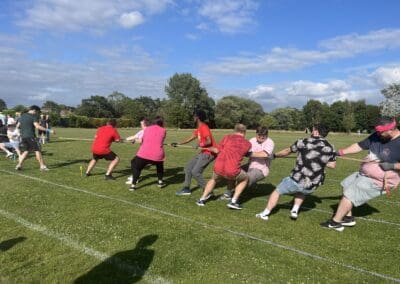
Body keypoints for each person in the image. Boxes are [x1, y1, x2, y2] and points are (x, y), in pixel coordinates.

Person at [321, 117, 400, 232]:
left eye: (381, 132)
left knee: (349, 195)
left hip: (381, 180)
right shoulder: (377, 136)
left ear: (391, 129)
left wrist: (391, 166)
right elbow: (360, 145)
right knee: (346, 185)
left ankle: (335, 222)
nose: (378, 134)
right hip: (365, 174)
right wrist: (339, 152)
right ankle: (348, 218)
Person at [256, 124, 336, 221]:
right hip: (313, 184)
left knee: (276, 192)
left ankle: (265, 214)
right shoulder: (331, 147)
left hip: (297, 179)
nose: (311, 131)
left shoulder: (303, 141)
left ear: (316, 132)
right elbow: (332, 165)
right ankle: (294, 210)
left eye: (313, 130)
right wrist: (320, 160)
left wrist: (274, 156)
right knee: (301, 190)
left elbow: (287, 151)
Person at [196, 123, 251, 210]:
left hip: (219, 166)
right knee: (245, 178)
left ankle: (201, 199)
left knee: (213, 179)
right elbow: (245, 153)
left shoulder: (227, 137)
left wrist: (208, 148)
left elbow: (217, 150)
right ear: (244, 132)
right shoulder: (248, 144)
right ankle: (233, 201)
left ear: (235, 131)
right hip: (232, 169)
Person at [222, 126, 275, 200]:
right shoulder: (252, 140)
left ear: (267, 135)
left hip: (261, 169)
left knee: (245, 179)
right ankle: (228, 193)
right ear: (256, 134)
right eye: (259, 135)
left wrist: (249, 154)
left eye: (264, 135)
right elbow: (244, 149)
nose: (261, 137)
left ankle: (234, 198)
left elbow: (264, 154)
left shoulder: (270, 142)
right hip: (250, 165)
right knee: (232, 172)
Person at [174, 110, 217, 196]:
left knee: (195, 172)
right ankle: (186, 189)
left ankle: (208, 191)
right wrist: (178, 143)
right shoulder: (199, 128)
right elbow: (190, 138)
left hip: (209, 153)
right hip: (203, 152)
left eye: (194, 116)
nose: (193, 117)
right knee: (188, 168)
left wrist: (199, 144)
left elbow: (209, 141)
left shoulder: (204, 127)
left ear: (197, 117)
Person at [129, 116, 166, 191]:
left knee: (136, 167)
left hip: (144, 153)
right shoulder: (164, 130)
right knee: (160, 165)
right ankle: (160, 182)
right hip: (158, 154)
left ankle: (133, 185)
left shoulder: (147, 129)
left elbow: (143, 140)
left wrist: (134, 141)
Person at [15, 105, 54, 171]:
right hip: (31, 136)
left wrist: (20, 132)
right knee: (38, 150)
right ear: (34, 110)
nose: (37, 113)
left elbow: (18, 126)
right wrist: (49, 130)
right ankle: (42, 166)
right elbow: (38, 127)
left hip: (23, 137)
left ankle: (19, 165)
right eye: (37, 112)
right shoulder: (33, 116)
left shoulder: (22, 115)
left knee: (26, 151)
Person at [125, 118, 150, 185]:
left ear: (145, 124)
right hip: (144, 151)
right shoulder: (142, 131)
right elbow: (134, 136)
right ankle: (135, 176)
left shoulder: (147, 131)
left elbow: (140, 140)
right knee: (134, 162)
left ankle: (135, 178)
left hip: (147, 152)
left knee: (135, 163)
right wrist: (125, 139)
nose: (140, 125)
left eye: (141, 124)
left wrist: (133, 140)